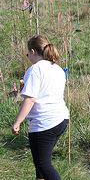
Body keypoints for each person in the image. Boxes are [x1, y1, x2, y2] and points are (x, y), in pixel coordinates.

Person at [11, 35, 69, 180]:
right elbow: (45, 92)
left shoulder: (35, 70)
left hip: (44, 122)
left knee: (43, 164)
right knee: (41, 163)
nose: (28, 56)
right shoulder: (57, 69)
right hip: (61, 120)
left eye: (27, 54)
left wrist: (17, 122)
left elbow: (30, 99)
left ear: (32, 51)